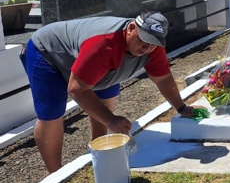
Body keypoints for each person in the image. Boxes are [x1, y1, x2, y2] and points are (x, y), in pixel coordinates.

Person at [21, 11, 199, 174]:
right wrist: (111, 120)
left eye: (153, 44)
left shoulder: (153, 48)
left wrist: (181, 108)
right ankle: (53, 174)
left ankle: (98, 147)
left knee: (106, 95)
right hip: (49, 54)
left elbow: (163, 79)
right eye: (143, 41)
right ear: (131, 28)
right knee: (52, 112)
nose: (147, 49)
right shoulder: (104, 44)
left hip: (91, 61)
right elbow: (75, 89)